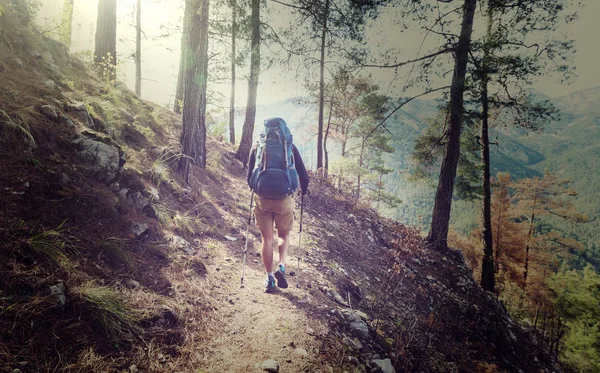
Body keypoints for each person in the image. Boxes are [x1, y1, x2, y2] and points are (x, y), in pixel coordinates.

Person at [247, 117, 309, 293]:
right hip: (284, 199)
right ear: (283, 130)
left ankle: (269, 279)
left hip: (263, 199)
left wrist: (256, 190)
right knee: (283, 235)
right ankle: (281, 266)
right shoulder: (289, 146)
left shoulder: (257, 146)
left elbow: (249, 175)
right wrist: (304, 190)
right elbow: (303, 175)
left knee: (266, 239)